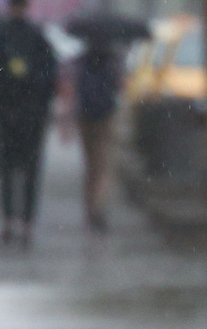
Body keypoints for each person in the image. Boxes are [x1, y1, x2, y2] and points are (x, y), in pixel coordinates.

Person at [0, 0, 57, 246]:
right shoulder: (24, 36)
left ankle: (22, 222)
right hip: (21, 114)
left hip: (23, 114)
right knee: (16, 169)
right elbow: (49, 76)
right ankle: (14, 221)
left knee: (21, 169)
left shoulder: (17, 35)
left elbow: (49, 76)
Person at [74, 35, 121, 232]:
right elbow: (117, 87)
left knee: (90, 165)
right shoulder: (112, 60)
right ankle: (98, 208)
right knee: (103, 165)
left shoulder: (83, 60)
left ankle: (89, 208)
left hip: (86, 117)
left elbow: (78, 88)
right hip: (105, 117)